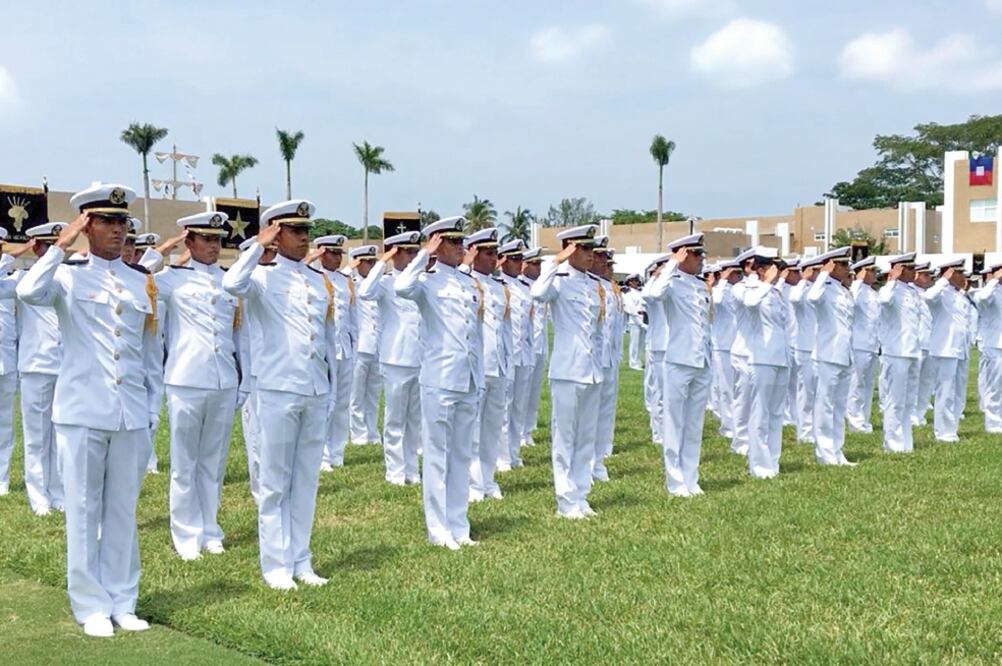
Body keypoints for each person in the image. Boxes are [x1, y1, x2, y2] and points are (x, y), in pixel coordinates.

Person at [17, 183, 162, 636]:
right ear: (87, 225)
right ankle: (90, 605)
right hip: (82, 409)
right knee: (82, 510)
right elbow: (26, 291)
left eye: (123, 222)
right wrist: (60, 247)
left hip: (129, 412)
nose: (118, 230)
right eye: (107, 221)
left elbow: (146, 353)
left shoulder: (141, 282)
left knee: (122, 509)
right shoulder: (65, 274)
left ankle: (122, 599)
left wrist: (149, 407)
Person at [222, 199, 334, 589]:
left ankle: (301, 559)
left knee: (305, 480)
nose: (304, 238)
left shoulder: (317, 280)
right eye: (295, 231)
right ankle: (275, 565)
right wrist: (258, 245)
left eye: (306, 231)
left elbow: (326, 338)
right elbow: (231, 283)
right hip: (277, 389)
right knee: (274, 482)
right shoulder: (260, 278)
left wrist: (329, 385)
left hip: (314, 388)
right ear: (275, 232)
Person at [155, 212, 241, 560]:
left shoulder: (230, 281)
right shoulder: (169, 279)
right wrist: (169, 248)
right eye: (204, 239)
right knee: (184, 462)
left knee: (213, 461)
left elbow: (239, 335)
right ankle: (186, 535)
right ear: (189, 242)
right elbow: (135, 273)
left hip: (223, 379)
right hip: (185, 378)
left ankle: (210, 529)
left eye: (217, 239)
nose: (213, 245)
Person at [395, 216, 484, 548]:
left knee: (461, 454)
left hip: (468, 379)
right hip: (440, 379)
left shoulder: (465, 282)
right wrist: (423, 255)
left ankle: (459, 522)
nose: (461, 248)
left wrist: (481, 378)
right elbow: (401, 287)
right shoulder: (426, 282)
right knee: (436, 455)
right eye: (453, 242)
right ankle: (438, 527)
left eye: (462, 242)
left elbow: (475, 337)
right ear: (436, 243)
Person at [530, 224, 603, 519]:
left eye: (591, 249)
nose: (590, 254)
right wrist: (556, 260)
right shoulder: (558, 281)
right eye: (583, 248)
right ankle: (565, 499)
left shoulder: (593, 284)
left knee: (586, 438)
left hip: (592, 370)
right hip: (567, 369)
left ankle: (581, 495)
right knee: (565, 438)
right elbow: (537, 293)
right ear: (570, 248)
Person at [643, 233, 712, 496]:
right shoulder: (670, 283)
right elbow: (651, 294)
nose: (700, 260)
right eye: (695, 254)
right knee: (674, 423)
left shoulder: (697, 285)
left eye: (701, 254)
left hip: (701, 360)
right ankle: (675, 480)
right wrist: (671, 264)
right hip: (678, 359)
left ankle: (690, 477)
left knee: (694, 424)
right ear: (682, 255)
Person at [358, 230, 424, 485]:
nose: (411, 256)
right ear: (395, 253)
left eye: (414, 252)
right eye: (406, 251)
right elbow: (364, 291)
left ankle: (411, 469)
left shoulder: (420, 281)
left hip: (420, 357)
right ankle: (395, 471)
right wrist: (382, 261)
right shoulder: (385, 283)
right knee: (395, 418)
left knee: (414, 420)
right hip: (395, 357)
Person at [15, 224, 66, 514]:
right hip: (35, 366)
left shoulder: (68, 278)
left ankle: (57, 491)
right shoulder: (21, 280)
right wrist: (13, 253)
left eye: (55, 247)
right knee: (36, 436)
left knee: (60, 435)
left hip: (65, 367)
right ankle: (38, 496)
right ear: (36, 249)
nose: (51, 254)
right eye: (45, 247)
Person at [462, 228, 512, 502]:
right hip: (476, 366)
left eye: (496, 253)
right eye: (488, 253)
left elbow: (505, 330)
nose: (494, 259)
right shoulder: (463, 282)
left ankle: (488, 478)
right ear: (474, 253)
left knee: (493, 427)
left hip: (499, 366)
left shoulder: (499, 287)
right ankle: (471, 482)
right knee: (473, 430)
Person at [309, 235, 357, 471]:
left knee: (341, 404)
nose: (338, 258)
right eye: (332, 253)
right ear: (320, 253)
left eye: (340, 254)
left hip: (344, 349)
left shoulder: (346, 281)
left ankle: (337, 451)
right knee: (324, 403)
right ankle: (321, 455)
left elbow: (352, 318)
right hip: (325, 350)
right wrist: (312, 258)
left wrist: (353, 348)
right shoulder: (312, 276)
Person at [234, 236, 277, 506]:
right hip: (251, 368)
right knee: (256, 433)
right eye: (264, 251)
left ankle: (274, 485)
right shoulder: (245, 279)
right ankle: (260, 487)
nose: (269, 256)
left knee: (273, 434)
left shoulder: (272, 278)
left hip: (274, 366)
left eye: (272, 251)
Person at [740, 248, 789, 479]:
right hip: (761, 358)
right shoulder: (748, 288)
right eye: (773, 267)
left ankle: (773, 462)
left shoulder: (775, 292)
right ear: (760, 269)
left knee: (776, 413)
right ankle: (759, 466)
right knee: (760, 413)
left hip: (780, 357)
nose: (778, 272)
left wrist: (771, 284)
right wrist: (766, 282)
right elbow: (750, 303)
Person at [806, 247, 857, 466]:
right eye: (844, 264)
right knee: (825, 405)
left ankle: (837, 450)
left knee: (839, 405)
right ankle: (825, 452)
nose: (849, 269)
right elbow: (812, 297)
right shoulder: (823, 287)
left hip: (844, 353)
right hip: (827, 353)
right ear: (832, 265)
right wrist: (823, 273)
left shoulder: (843, 290)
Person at [921, 259, 970, 443]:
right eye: (959, 273)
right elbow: (927, 297)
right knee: (946, 391)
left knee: (958, 391)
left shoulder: (958, 294)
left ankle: (953, 428)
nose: (963, 276)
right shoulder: (940, 293)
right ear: (950, 273)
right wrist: (943, 280)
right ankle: (943, 431)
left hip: (960, 347)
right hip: (945, 348)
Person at [877, 253, 922, 453]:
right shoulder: (890, 290)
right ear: (900, 269)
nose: (915, 273)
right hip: (896, 352)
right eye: (910, 269)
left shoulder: (912, 292)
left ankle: (905, 442)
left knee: (908, 400)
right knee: (894, 400)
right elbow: (884, 301)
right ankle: (892, 443)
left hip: (912, 350)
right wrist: (892, 279)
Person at [497, 239, 533, 472]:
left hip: (524, 353)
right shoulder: (497, 284)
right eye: (515, 259)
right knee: (504, 407)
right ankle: (502, 457)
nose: (520, 264)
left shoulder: (524, 287)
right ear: (504, 260)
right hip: (505, 354)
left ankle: (514, 451)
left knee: (519, 406)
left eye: (522, 259)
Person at [590, 238, 623, 481]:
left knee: (605, 410)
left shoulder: (611, 288)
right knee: (589, 414)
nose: (605, 263)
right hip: (591, 360)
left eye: (606, 258)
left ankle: (600, 458)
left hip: (609, 357)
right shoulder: (584, 285)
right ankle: (588, 461)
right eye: (600, 257)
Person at [348, 245, 382, 446]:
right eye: (367, 262)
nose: (371, 266)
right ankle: (359, 434)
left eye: (373, 262)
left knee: (373, 394)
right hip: (360, 346)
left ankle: (372, 432)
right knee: (356, 395)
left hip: (377, 346)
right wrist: (349, 268)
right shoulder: (350, 284)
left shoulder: (378, 286)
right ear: (357, 263)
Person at [728, 247, 759, 456]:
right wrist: (757, 278)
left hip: (761, 353)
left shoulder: (768, 287)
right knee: (744, 399)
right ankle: (740, 441)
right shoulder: (740, 288)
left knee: (759, 400)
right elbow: (751, 302)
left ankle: (756, 438)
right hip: (744, 352)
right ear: (749, 266)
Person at [788, 256, 819, 444]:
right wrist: (804, 279)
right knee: (806, 393)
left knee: (818, 393)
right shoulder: (800, 290)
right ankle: (805, 431)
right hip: (806, 347)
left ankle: (816, 428)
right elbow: (794, 298)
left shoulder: (821, 289)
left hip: (820, 347)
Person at [847, 256, 880, 433]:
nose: (875, 274)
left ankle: (864, 419)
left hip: (872, 344)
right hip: (858, 344)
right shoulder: (855, 289)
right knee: (857, 384)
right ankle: (855, 421)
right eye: (871, 271)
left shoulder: (873, 293)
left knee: (867, 385)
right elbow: (852, 298)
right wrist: (858, 278)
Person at [520, 247, 548, 449]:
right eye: (535, 264)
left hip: (540, 345)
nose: (539, 268)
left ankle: (529, 429)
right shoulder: (519, 286)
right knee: (521, 392)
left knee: (534, 392)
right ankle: (519, 432)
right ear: (525, 265)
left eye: (540, 264)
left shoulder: (542, 286)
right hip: (523, 347)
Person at [710, 259, 741, 439]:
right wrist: (723, 280)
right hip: (722, 345)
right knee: (726, 389)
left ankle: (737, 423)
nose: (737, 276)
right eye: (734, 273)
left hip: (737, 345)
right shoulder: (718, 290)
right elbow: (718, 300)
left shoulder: (738, 290)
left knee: (737, 389)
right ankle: (728, 426)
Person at [643, 255, 670, 446]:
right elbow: (647, 295)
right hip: (659, 346)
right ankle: (658, 432)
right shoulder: (653, 289)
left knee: (671, 395)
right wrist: (655, 276)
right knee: (659, 393)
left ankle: (669, 431)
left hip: (675, 346)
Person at [973, 260, 1002, 433]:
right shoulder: (988, 293)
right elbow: (982, 298)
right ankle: (993, 424)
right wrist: (994, 280)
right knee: (994, 386)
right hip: (994, 344)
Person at [622, 274, 646, 370]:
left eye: (637, 280)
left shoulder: (640, 292)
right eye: (634, 280)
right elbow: (629, 308)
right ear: (629, 282)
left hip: (643, 319)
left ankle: (639, 361)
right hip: (634, 320)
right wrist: (638, 316)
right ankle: (633, 363)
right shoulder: (628, 294)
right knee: (634, 343)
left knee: (641, 343)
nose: (637, 282)